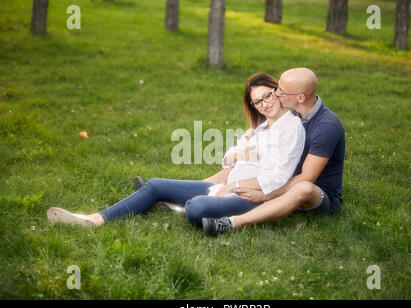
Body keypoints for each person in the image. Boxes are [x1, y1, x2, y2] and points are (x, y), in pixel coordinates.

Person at [46, 73, 305, 229]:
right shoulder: (259, 129)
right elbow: (226, 158)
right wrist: (239, 156)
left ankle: (179, 207)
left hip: (248, 197)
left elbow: (278, 176)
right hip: (225, 188)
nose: (264, 104)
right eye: (257, 101)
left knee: (196, 208)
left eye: (268, 96)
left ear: (277, 92)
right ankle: (94, 219)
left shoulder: (291, 127)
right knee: (155, 184)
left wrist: (235, 185)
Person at [201, 67, 346, 236]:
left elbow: (307, 178)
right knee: (232, 168)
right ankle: (189, 195)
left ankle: (231, 223)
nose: (276, 93)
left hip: (317, 193)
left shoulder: (326, 126)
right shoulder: (297, 113)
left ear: (300, 98)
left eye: (282, 91)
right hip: (286, 177)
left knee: (303, 188)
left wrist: (265, 195)